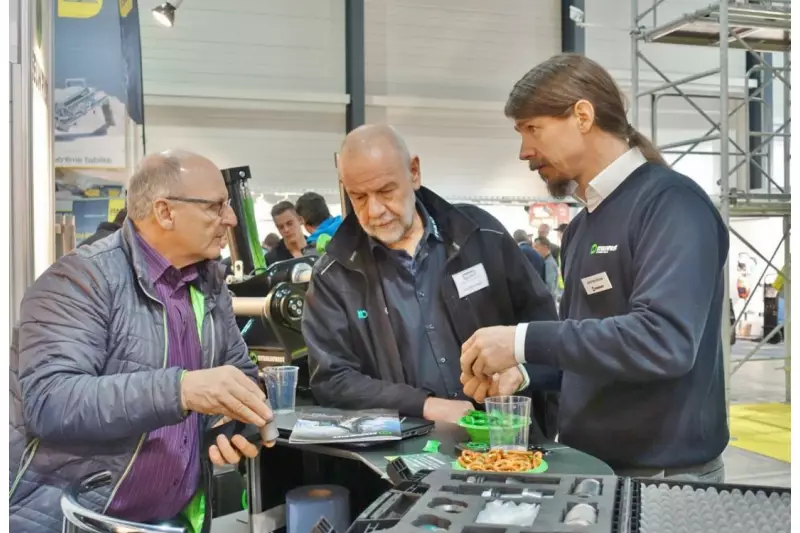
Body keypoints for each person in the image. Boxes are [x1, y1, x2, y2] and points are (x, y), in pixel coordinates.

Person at [460, 53, 729, 481]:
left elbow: (665, 340)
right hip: (593, 468)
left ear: (582, 115)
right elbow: (585, 347)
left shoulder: (671, 205)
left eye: (533, 129)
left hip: (663, 476)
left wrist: (522, 340)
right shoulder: (581, 226)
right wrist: (523, 372)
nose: (524, 151)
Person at [10, 150, 276, 532]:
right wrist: (181, 390)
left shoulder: (209, 285)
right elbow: (51, 401)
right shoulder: (79, 281)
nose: (230, 220)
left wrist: (227, 424)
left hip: (166, 522)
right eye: (216, 207)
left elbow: (241, 373)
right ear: (165, 212)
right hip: (74, 520)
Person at [302, 125, 559, 438]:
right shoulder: (334, 274)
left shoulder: (481, 234)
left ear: (414, 172)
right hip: (410, 451)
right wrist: (423, 405)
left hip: (507, 440)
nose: (374, 211)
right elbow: (333, 379)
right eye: (358, 197)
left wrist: (520, 372)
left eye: (385, 191)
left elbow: (545, 327)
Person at [533, 236, 560, 304]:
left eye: (537, 247)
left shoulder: (549, 263)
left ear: (545, 247)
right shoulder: (548, 261)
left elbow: (550, 285)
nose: (534, 249)